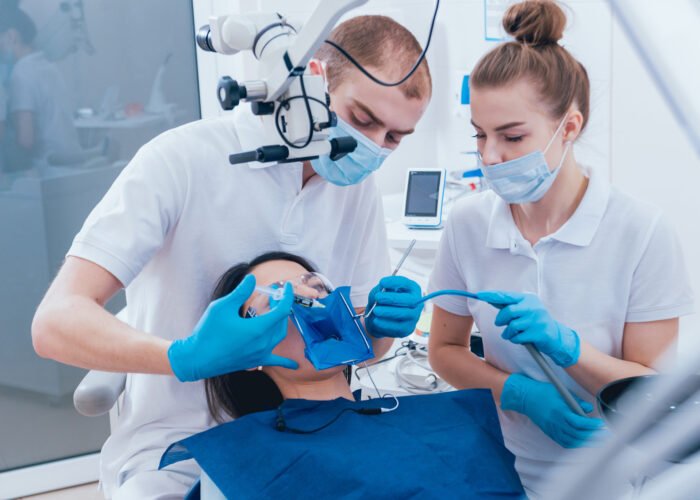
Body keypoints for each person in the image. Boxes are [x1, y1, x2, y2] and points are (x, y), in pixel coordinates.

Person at [32, 15, 430, 499]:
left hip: (310, 434)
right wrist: (183, 357)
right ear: (314, 81)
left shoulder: (355, 191)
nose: (372, 146)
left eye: (394, 138)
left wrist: (379, 329)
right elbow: (55, 323)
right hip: (180, 450)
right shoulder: (181, 160)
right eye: (363, 120)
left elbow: (361, 346)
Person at [426, 1, 694, 497]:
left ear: (569, 127)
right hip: (495, 466)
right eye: (480, 135)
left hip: (607, 475)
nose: (490, 156)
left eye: (512, 136)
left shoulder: (641, 232)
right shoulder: (467, 224)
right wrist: (517, 393)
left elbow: (656, 394)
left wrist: (569, 348)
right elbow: (443, 351)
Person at [161, 251, 524, 499]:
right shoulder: (240, 461)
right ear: (245, 351)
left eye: (317, 287)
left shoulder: (449, 420)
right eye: (279, 299)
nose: (312, 302)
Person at [0, 6, 86, 171]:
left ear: (11, 36)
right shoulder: (48, 66)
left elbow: (26, 140)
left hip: (51, 168)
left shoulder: (21, 74)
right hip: (74, 163)